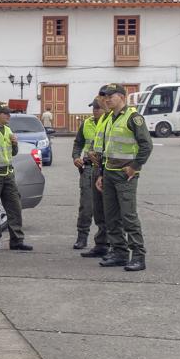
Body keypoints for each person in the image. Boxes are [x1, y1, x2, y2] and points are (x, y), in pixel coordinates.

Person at [96, 83, 152, 272]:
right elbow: (108, 149)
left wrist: (134, 167)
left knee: (128, 216)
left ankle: (138, 255)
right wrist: (102, 174)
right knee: (111, 216)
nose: (107, 99)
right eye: (105, 96)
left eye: (110, 96)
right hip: (109, 172)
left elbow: (146, 145)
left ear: (121, 96)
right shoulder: (111, 117)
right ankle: (119, 252)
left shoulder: (133, 118)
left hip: (125, 175)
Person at [0, 104, 32, 251]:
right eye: (6, 114)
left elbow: (13, 152)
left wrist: (15, 144)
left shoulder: (8, 130)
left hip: (8, 173)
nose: (9, 116)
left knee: (15, 207)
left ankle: (17, 240)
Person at [81, 88, 113, 259]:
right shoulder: (98, 121)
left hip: (112, 169)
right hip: (97, 167)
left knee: (113, 212)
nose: (99, 102)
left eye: (103, 98)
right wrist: (93, 153)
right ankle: (101, 245)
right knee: (99, 210)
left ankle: (116, 248)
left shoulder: (113, 117)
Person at [72, 99, 105, 250]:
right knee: (86, 206)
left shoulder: (109, 123)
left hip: (105, 168)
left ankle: (104, 241)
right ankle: (82, 237)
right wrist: (76, 157)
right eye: (93, 108)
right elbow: (78, 142)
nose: (95, 111)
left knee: (105, 208)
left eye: (98, 108)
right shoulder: (86, 123)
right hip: (88, 168)